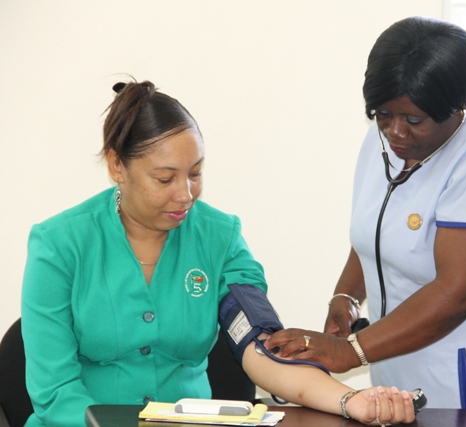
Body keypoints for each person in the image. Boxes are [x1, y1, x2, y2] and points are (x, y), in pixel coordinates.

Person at [20, 80, 417, 427]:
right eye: (165, 178)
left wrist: (349, 401)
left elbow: (261, 347)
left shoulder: (219, 237)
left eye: (195, 173)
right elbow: (55, 393)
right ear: (116, 166)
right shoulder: (58, 244)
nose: (186, 194)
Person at [266, 17, 466, 409]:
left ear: (459, 106)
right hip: (407, 374)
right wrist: (347, 296)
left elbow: (461, 293)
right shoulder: (388, 140)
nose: (396, 131)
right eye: (382, 114)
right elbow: (378, 228)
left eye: (414, 120)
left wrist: (347, 351)